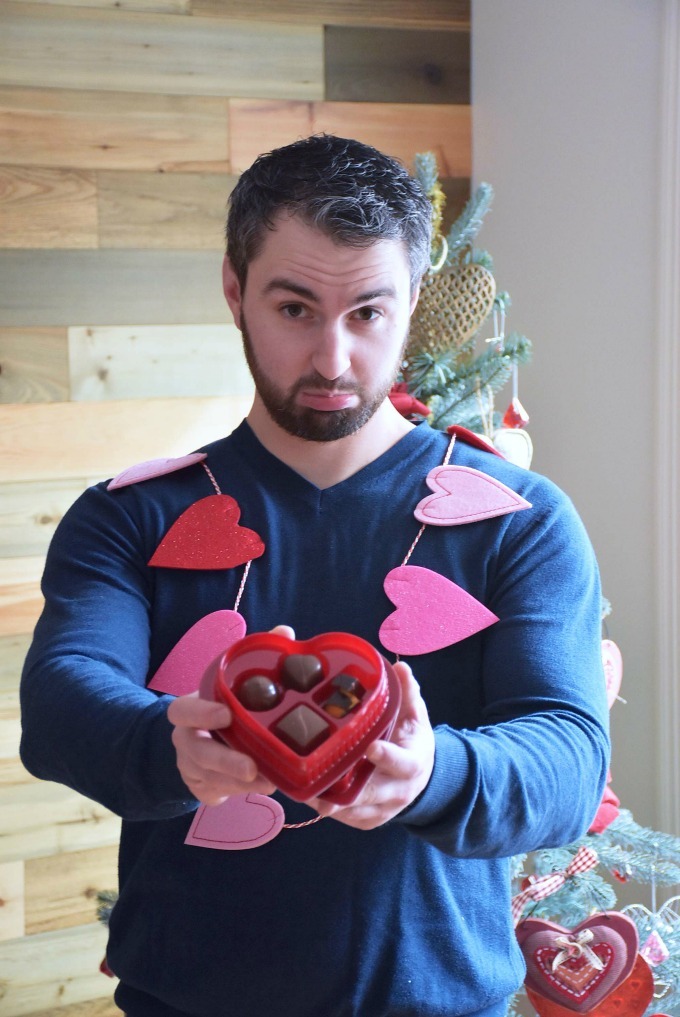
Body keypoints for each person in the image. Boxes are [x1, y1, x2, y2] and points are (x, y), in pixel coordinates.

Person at [20, 134, 610, 1017]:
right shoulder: (128, 517)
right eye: (295, 308)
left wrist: (433, 772)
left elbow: (568, 756)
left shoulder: (520, 521)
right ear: (235, 290)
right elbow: (62, 701)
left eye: (368, 312)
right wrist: (167, 744)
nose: (333, 359)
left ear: (412, 298)